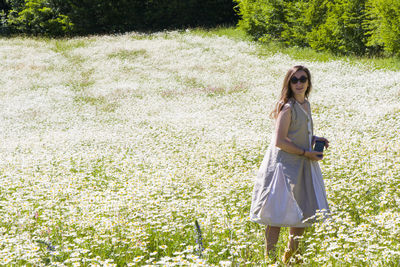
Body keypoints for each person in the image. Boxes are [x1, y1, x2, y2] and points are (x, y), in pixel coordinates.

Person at [249, 65, 330, 263]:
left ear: (309, 82)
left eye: (303, 79)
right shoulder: (288, 108)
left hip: (302, 164)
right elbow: (280, 141)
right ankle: (271, 259)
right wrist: (306, 152)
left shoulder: (306, 104)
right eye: (295, 80)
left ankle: (291, 257)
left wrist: (314, 138)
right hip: (283, 167)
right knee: (275, 214)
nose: (299, 83)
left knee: (302, 211)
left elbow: (298, 132)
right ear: (289, 83)